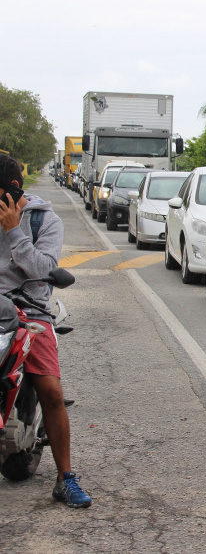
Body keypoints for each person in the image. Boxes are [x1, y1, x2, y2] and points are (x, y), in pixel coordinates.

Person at [0, 153, 91, 508]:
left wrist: (14, 231)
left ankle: (65, 478)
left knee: (51, 391)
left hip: (30, 311)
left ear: (12, 189)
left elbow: (42, 267)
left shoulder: (45, 221)